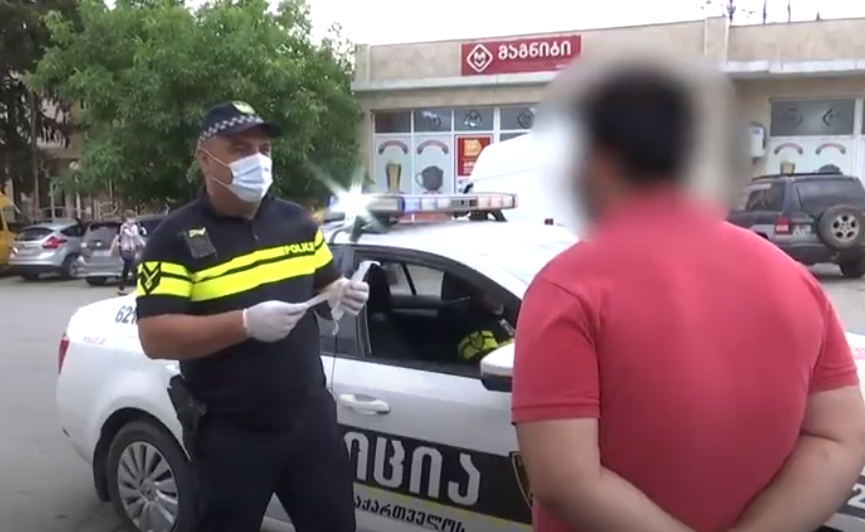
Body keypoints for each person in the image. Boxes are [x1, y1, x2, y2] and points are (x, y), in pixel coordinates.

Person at [511, 65, 865, 532]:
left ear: (596, 160)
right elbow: (839, 438)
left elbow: (565, 479)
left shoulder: (568, 288)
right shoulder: (793, 279)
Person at [134, 101, 369, 532]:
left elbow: (325, 286)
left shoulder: (297, 222)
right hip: (231, 434)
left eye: (264, 149)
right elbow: (155, 336)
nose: (257, 160)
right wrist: (243, 324)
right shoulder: (173, 238)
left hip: (310, 422)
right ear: (205, 159)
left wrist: (342, 293)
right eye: (240, 149)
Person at [111, 209, 144, 295]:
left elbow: (137, 237)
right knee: (133, 267)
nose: (132, 220)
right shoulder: (123, 227)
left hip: (133, 250)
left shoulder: (134, 227)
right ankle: (140, 285)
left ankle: (121, 288)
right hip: (125, 250)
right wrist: (111, 249)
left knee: (126, 269)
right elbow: (117, 238)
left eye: (133, 218)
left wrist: (143, 245)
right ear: (126, 219)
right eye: (130, 218)